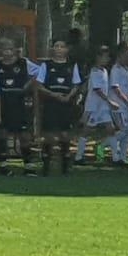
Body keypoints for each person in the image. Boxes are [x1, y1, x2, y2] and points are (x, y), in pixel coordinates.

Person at [35, 39, 82, 175]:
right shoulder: (46, 65)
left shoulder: (72, 65)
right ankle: (46, 166)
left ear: (67, 49)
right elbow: (39, 85)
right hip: (51, 103)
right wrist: (53, 94)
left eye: (62, 46)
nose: (59, 49)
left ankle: (65, 167)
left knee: (65, 135)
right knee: (48, 136)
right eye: (57, 46)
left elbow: (76, 84)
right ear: (52, 48)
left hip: (66, 104)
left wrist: (69, 96)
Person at [0, 38, 35, 174]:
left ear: (15, 50)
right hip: (3, 102)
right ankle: (3, 166)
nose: (7, 52)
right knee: (2, 134)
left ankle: (28, 167)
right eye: (5, 49)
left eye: (10, 49)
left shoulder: (24, 63)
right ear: (0, 50)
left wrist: (27, 86)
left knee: (24, 135)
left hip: (19, 103)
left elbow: (39, 73)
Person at [78, 46, 118, 166]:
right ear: (98, 57)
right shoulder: (95, 71)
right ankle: (78, 156)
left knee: (111, 129)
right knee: (86, 131)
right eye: (105, 56)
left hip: (103, 107)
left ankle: (116, 158)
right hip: (94, 107)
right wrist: (110, 102)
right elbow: (98, 90)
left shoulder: (104, 71)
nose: (107, 59)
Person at [108, 43, 128, 167]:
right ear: (121, 54)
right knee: (123, 130)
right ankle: (104, 145)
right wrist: (127, 102)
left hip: (125, 106)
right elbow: (116, 88)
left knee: (127, 132)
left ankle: (122, 157)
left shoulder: (126, 69)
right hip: (118, 105)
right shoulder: (116, 69)